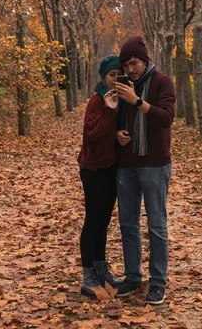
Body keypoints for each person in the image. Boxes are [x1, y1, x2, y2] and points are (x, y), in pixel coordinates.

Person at [113, 36, 175, 305]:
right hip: (127, 164)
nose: (130, 69)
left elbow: (166, 117)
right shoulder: (124, 86)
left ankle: (158, 282)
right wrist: (118, 133)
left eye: (134, 63)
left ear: (145, 60)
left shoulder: (162, 82)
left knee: (157, 225)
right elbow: (118, 118)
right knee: (127, 223)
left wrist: (138, 101)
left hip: (154, 165)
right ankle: (133, 277)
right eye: (126, 65)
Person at [77, 54, 125, 298]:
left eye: (119, 74)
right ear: (104, 77)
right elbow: (92, 134)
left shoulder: (121, 97)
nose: (115, 79)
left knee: (104, 222)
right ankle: (88, 277)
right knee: (93, 221)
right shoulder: (97, 101)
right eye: (111, 75)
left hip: (111, 168)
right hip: (93, 168)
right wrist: (108, 111)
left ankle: (100, 268)